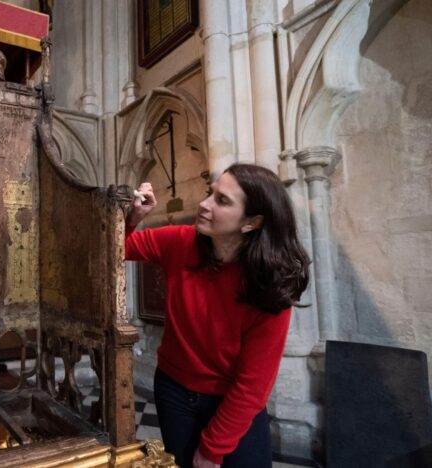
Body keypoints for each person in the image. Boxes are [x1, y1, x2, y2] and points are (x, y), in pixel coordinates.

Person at [125, 164, 310, 468]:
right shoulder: (181, 242)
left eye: (222, 201)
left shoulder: (269, 284)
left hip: (233, 401)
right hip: (174, 390)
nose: (204, 204)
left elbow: (253, 386)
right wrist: (133, 219)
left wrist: (212, 450)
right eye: (210, 193)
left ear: (252, 222)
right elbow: (117, 248)